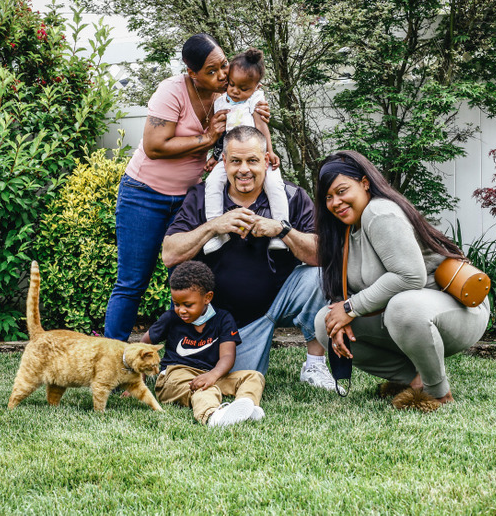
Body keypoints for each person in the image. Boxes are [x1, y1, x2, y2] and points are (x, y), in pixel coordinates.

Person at [103, 33, 268, 342]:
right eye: (211, 71)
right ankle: (112, 361)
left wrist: (260, 119)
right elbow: (154, 145)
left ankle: (176, 358)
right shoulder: (172, 91)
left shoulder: (230, 93)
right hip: (144, 194)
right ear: (192, 73)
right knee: (132, 282)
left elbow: (246, 128)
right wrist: (206, 139)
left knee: (185, 282)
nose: (222, 75)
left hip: (190, 199)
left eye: (223, 65)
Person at [161, 125, 338, 390]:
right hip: (225, 321)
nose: (244, 169)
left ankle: (314, 365)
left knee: (320, 275)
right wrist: (213, 226)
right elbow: (169, 254)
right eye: (236, 161)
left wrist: (282, 229)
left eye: (252, 160)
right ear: (224, 162)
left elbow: (324, 254)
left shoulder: (290, 196)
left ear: (266, 161)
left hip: (278, 304)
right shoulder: (202, 197)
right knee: (229, 382)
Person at [313, 150, 490, 410]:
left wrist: (350, 308)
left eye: (342, 191)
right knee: (324, 322)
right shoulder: (347, 228)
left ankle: (437, 393)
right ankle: (413, 381)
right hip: (400, 318)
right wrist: (340, 315)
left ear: (364, 183)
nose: (335, 202)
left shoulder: (379, 212)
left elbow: (410, 276)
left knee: (402, 306)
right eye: (328, 197)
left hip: (457, 311)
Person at [141, 261, 265, 427]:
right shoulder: (170, 319)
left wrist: (213, 375)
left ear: (207, 298)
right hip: (175, 377)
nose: (181, 310)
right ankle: (213, 416)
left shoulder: (223, 319)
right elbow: (143, 346)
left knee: (254, 376)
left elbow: (228, 356)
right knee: (205, 389)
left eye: (188, 305)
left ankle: (247, 407)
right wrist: (138, 382)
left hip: (209, 374)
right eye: (177, 304)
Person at [203, 48, 288, 254]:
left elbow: (261, 126)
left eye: (243, 88)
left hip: (256, 157)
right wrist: (214, 157)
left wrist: (271, 151)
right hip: (229, 158)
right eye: (231, 84)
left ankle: (280, 229)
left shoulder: (255, 100)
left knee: (275, 184)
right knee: (212, 183)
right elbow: (220, 133)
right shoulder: (221, 101)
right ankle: (216, 231)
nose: (234, 91)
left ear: (256, 87)